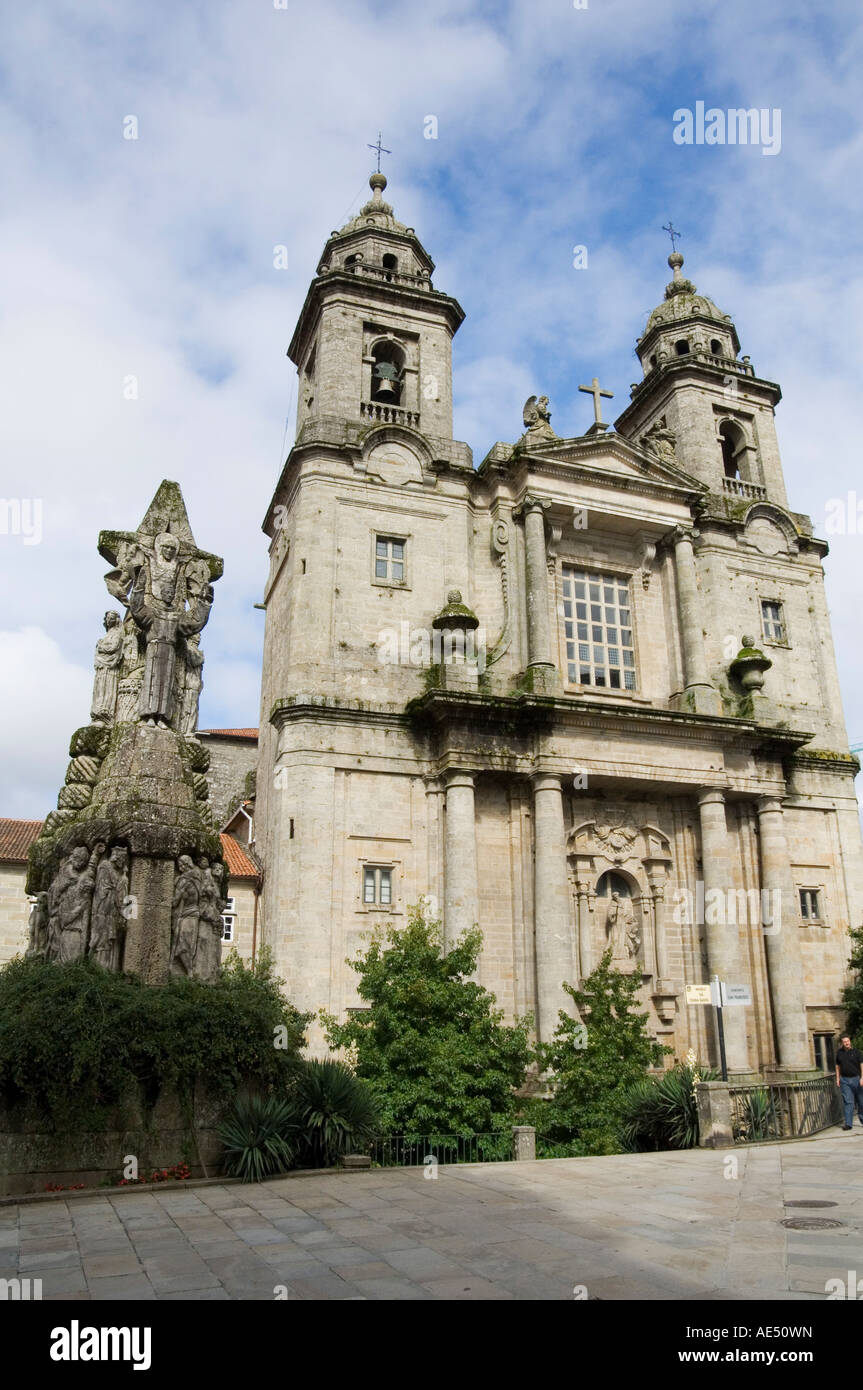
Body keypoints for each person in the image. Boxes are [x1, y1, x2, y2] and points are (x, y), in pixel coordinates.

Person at [835, 1034, 863, 1130]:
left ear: (850, 1041)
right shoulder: (839, 1053)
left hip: (857, 1079)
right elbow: (837, 1066)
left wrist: (862, 1078)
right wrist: (838, 1078)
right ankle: (848, 1124)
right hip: (845, 1081)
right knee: (848, 1102)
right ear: (842, 1043)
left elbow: (862, 1065)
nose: (846, 1043)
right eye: (844, 1042)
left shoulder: (856, 1052)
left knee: (861, 1102)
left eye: (847, 1041)